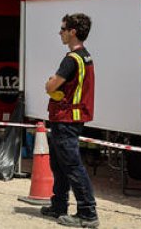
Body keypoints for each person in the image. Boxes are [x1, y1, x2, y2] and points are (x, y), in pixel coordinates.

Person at [40, 13, 99, 228]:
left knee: (72, 166)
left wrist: (50, 84)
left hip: (66, 119)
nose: (60, 32)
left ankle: (87, 213)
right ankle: (59, 206)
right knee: (59, 165)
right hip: (68, 118)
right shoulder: (86, 56)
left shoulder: (71, 59)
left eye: (63, 28)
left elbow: (50, 86)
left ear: (73, 32)